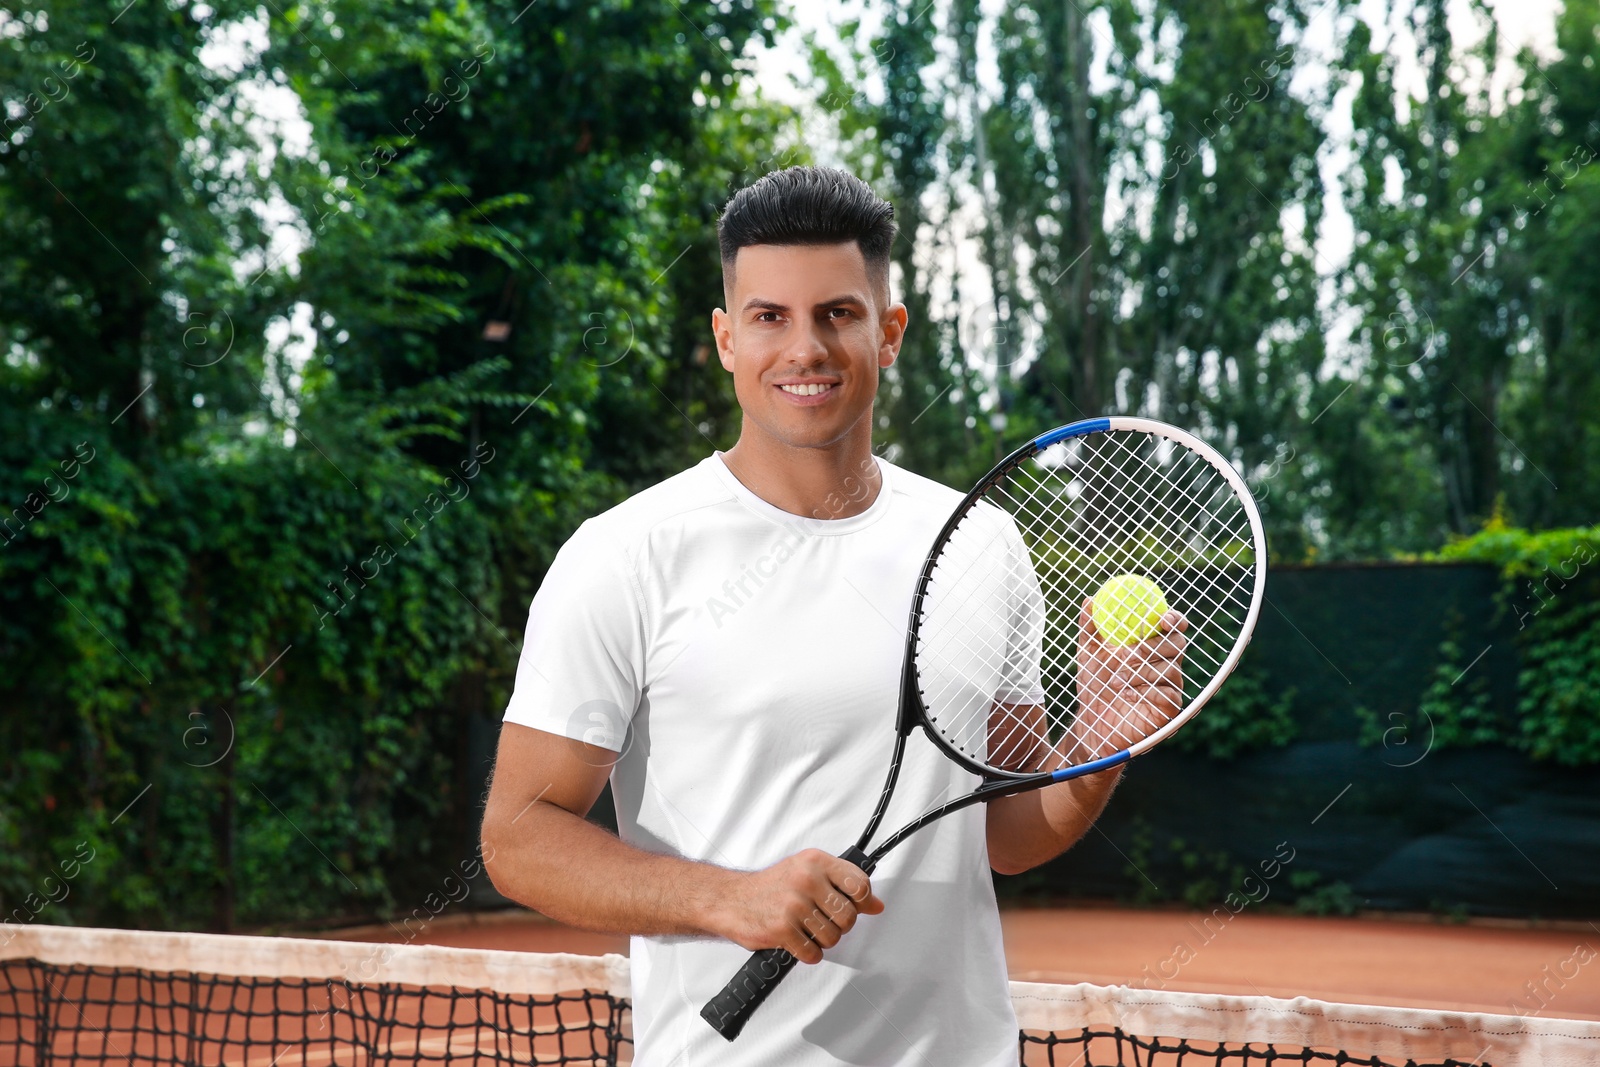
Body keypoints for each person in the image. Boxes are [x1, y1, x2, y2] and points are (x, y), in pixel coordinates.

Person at [480, 166, 1185, 1065]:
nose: (804, 347)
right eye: (770, 316)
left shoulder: (982, 543)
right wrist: (726, 898)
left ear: (888, 331)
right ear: (727, 337)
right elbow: (516, 835)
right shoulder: (625, 555)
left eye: (838, 314)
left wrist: (1092, 757)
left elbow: (1005, 833)